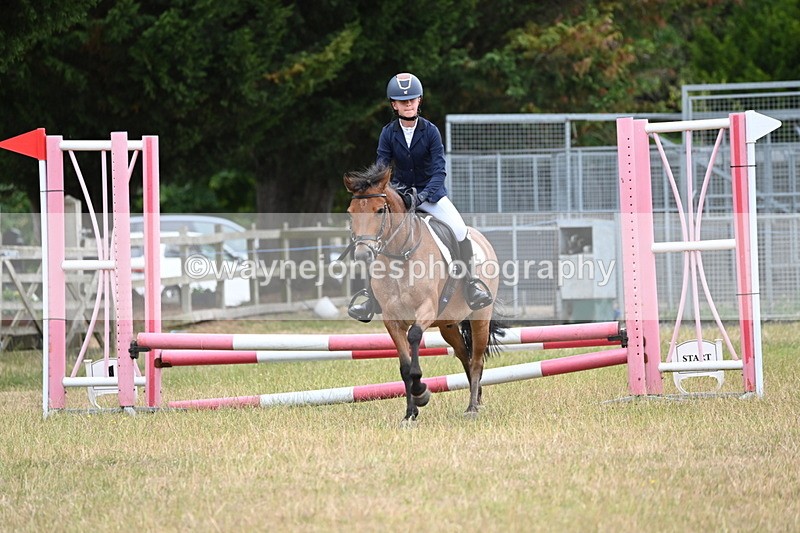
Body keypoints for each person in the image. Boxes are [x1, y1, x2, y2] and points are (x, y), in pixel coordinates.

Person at [348, 72, 493, 322]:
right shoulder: (387, 133)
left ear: (419, 101)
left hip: (432, 196)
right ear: (394, 105)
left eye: (412, 100)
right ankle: (369, 296)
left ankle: (472, 284)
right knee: (372, 237)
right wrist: (396, 194)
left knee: (460, 230)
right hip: (399, 199)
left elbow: (439, 171)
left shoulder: (431, 132)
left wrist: (424, 195)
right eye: (402, 101)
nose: (407, 104)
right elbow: (381, 171)